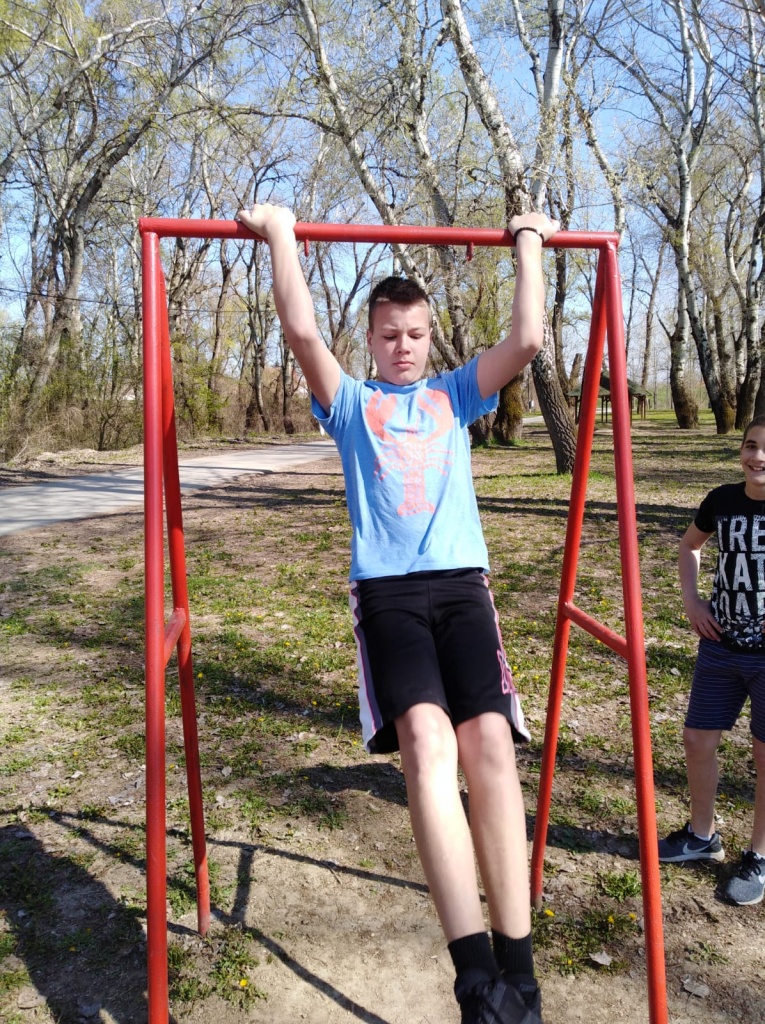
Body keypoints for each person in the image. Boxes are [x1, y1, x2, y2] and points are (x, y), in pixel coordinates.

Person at [236, 202, 558, 1024]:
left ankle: (520, 976)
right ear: (371, 339)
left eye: (414, 333)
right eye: (388, 335)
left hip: (462, 589)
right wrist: (281, 234)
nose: (403, 346)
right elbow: (301, 331)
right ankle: (474, 976)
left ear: (429, 335)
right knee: (425, 741)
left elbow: (526, 340)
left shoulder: (456, 394)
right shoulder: (350, 404)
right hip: (388, 594)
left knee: (490, 743)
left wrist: (527, 241)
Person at [658, 415, 765, 906]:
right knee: (697, 740)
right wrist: (692, 601)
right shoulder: (721, 500)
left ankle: (758, 856)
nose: (758, 457)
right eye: (750, 445)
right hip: (720, 647)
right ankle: (702, 836)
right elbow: (689, 546)